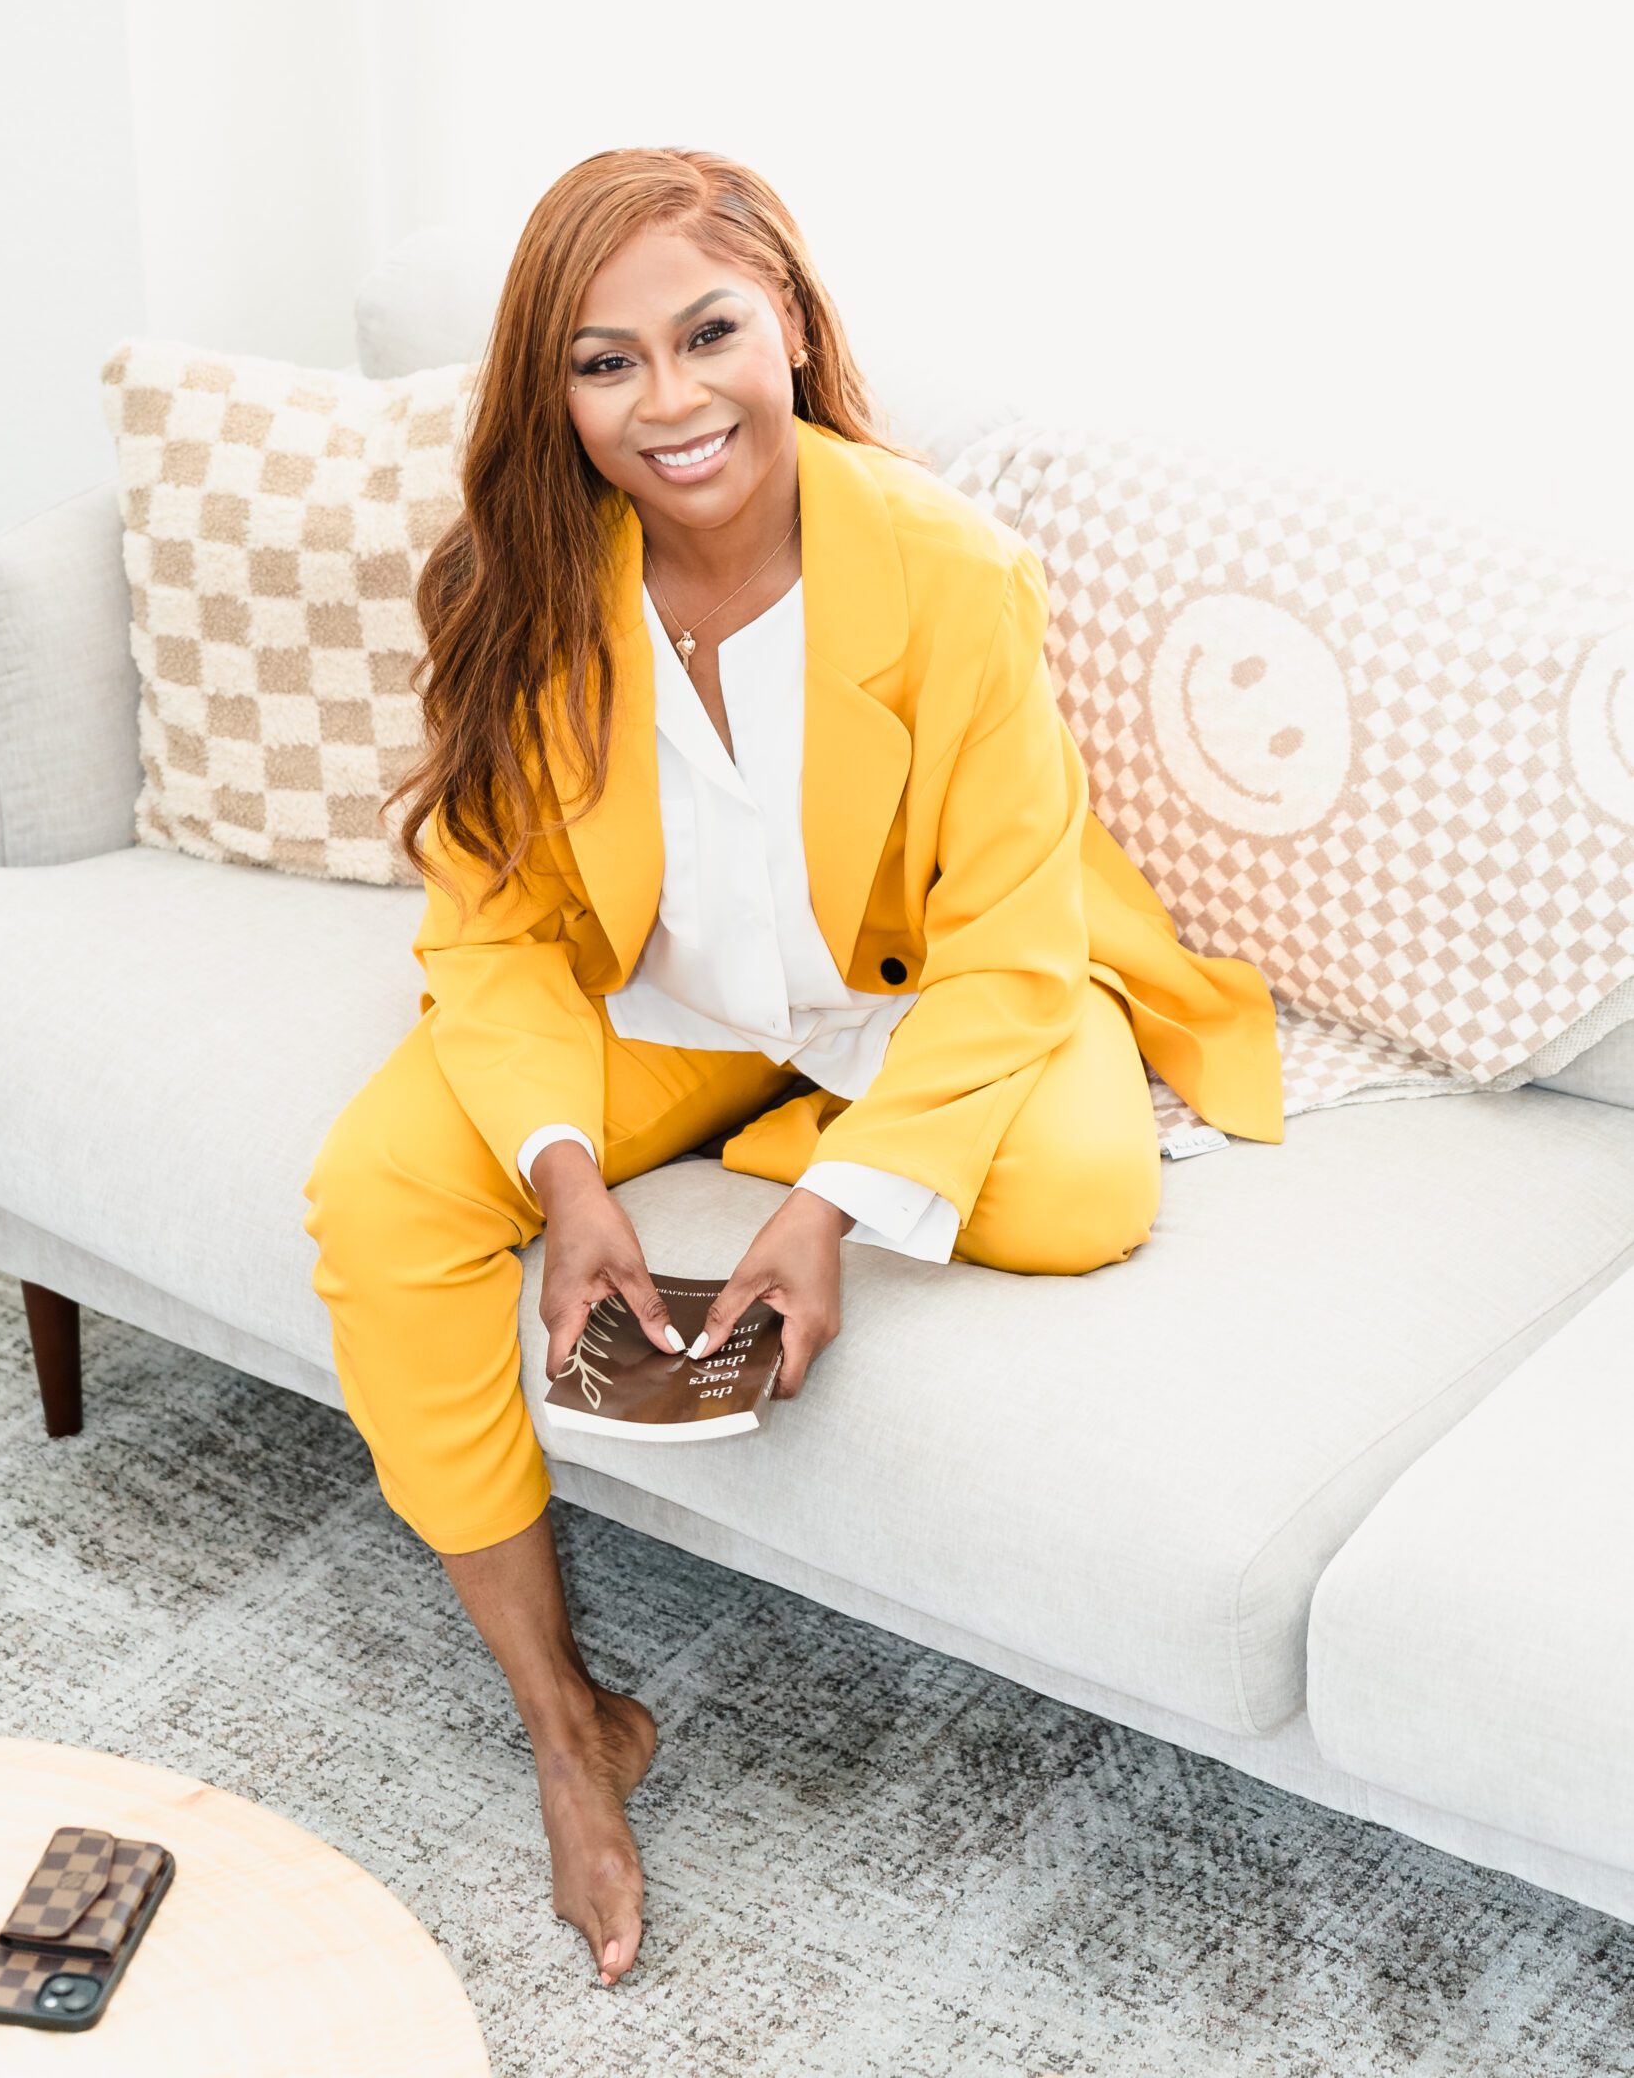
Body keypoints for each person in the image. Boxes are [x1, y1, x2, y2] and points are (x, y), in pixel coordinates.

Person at [301, 147, 1284, 1989]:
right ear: (552, 392)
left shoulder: (948, 569)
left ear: (792, 329)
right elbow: (495, 927)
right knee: (374, 1199)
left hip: (912, 996)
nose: (667, 402)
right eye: (605, 363)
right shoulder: (518, 579)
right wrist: (569, 1181)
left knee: (1080, 1194)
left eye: (706, 334)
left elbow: (1004, 941)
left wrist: (835, 1201)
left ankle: (806, 1139)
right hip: (651, 1007)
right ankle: (566, 1721)